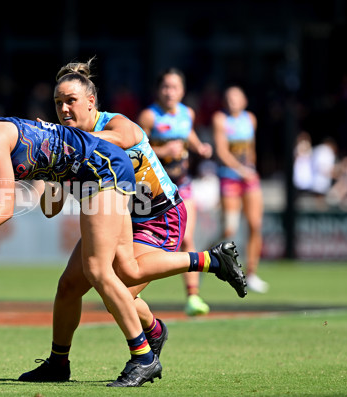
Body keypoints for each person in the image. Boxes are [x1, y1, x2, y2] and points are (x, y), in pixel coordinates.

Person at [0, 76, 246, 387]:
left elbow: (4, 207)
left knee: (104, 272)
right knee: (74, 284)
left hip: (121, 183)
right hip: (100, 178)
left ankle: (145, 354)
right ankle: (59, 362)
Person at [19, 59, 246, 384]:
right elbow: (50, 208)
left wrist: (62, 143)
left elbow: (118, 142)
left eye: (71, 101)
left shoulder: (118, 123)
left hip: (159, 214)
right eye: (58, 103)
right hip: (116, 217)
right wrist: (47, 166)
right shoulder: (67, 146)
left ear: (91, 102)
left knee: (118, 288)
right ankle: (59, 362)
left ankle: (206, 266)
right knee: (69, 286)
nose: (64, 109)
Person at [138, 68, 213, 316]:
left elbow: (187, 133)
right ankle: (134, 288)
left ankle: (193, 297)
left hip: (182, 185)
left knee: (187, 238)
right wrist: (163, 151)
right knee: (143, 238)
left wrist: (199, 146)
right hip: (153, 189)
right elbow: (135, 149)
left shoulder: (186, 113)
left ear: (182, 91)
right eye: (165, 87)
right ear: (158, 90)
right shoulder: (149, 116)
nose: (170, 92)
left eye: (175, 87)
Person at [212, 86, 267, 293]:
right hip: (230, 178)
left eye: (236, 97)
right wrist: (241, 170)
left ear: (244, 101)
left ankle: (251, 272)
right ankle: (206, 254)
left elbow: (251, 149)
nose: (232, 101)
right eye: (228, 97)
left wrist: (250, 170)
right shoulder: (220, 119)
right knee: (230, 228)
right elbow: (222, 151)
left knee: (255, 224)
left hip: (249, 178)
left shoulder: (250, 119)